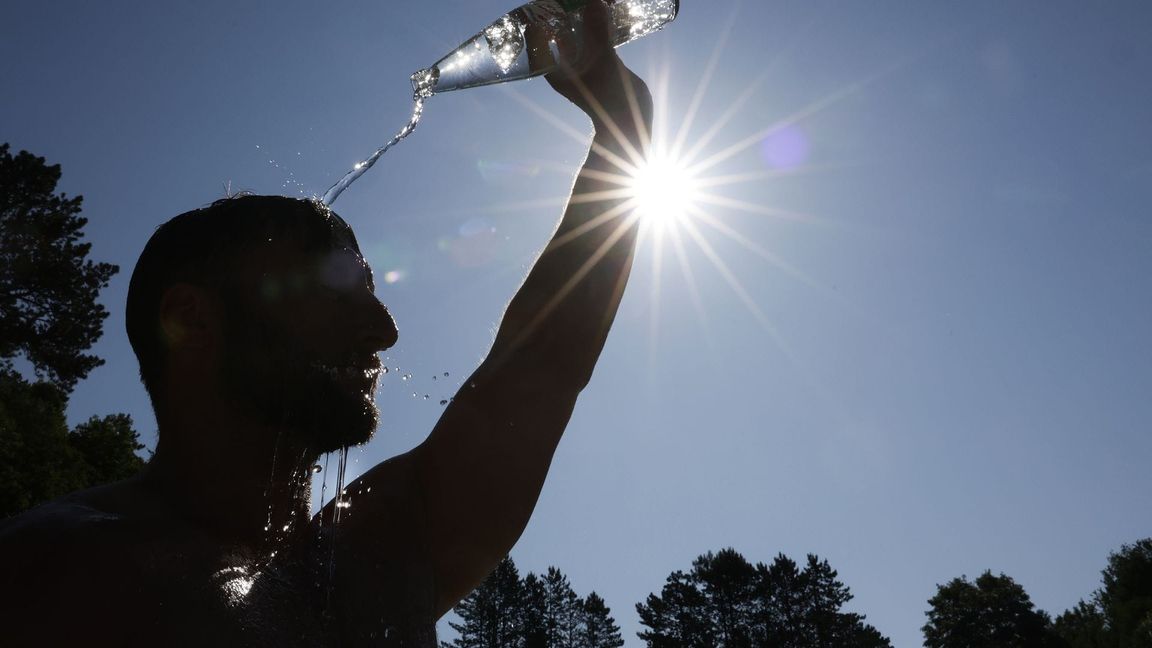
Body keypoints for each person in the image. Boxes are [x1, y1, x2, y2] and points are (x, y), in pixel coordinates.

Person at [0, 1, 653, 645]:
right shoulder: (56, 572)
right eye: (332, 289)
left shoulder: (386, 552)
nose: (382, 331)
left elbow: (544, 363)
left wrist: (624, 124)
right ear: (192, 320)